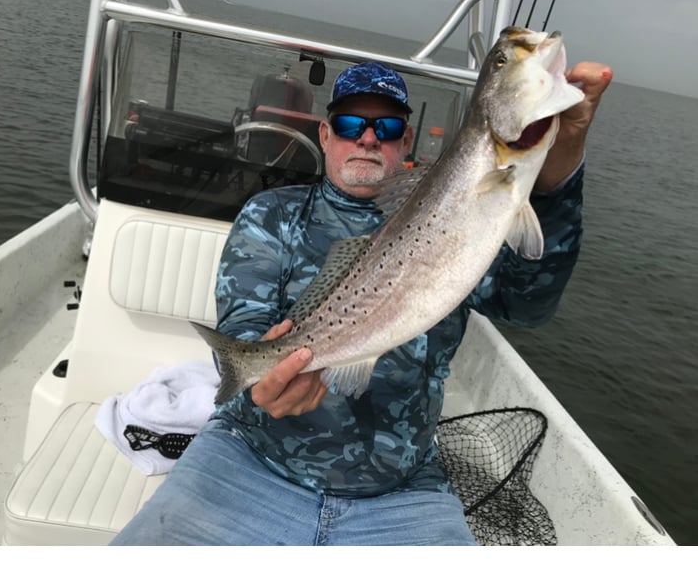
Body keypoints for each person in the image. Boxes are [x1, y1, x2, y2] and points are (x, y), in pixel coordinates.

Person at [112, 59, 613, 546]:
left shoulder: (465, 216)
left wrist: (557, 178)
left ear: (406, 142)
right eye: (351, 124)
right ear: (327, 136)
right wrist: (258, 375)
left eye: (387, 126)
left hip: (402, 492)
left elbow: (527, 306)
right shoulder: (273, 214)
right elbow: (245, 319)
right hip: (251, 460)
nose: (368, 138)